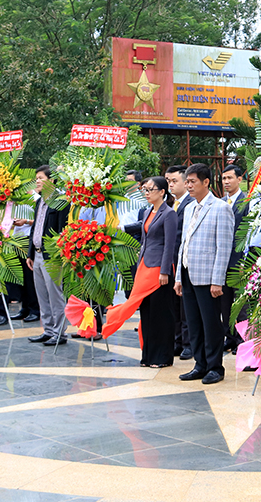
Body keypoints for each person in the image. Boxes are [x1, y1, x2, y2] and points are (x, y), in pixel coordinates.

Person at [102, 176, 178, 367]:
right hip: (144, 265)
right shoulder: (147, 212)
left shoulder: (169, 213)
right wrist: (119, 228)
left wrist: (165, 271)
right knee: (146, 312)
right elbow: (141, 230)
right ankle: (148, 355)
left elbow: (170, 245)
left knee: (160, 313)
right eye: (145, 189)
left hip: (159, 269)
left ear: (162, 192)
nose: (146, 193)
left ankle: (162, 357)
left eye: (150, 189)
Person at [175, 163, 236, 385]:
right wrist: (179, 276)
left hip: (209, 277)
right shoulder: (190, 207)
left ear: (206, 182)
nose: (188, 185)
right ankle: (200, 364)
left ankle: (215, 367)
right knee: (193, 322)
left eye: (192, 181)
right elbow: (184, 242)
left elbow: (224, 247)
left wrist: (217, 281)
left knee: (211, 323)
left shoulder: (221, 208)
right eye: (187, 181)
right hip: (189, 272)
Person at [26, 166, 70, 346]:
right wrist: (30, 253)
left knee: (55, 295)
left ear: (51, 181)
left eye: (40, 178)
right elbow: (35, 228)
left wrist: (58, 256)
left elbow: (62, 231)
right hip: (36, 255)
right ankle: (48, 330)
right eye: (36, 178)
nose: (37, 181)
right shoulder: (39, 202)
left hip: (51, 257)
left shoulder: (60, 202)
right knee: (42, 295)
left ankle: (60, 332)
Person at [165, 165, 194, 360]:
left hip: (185, 262)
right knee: (173, 305)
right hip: (171, 262)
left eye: (174, 181)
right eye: (168, 181)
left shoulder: (191, 204)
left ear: (185, 182)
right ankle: (176, 341)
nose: (170, 185)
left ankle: (188, 344)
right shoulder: (170, 204)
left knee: (186, 307)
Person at [220, 164, 249, 353]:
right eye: (223, 179)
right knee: (225, 302)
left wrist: (245, 261)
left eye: (230, 178)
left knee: (241, 303)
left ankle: (242, 340)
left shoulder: (247, 202)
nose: (226, 182)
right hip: (222, 260)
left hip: (239, 261)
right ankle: (229, 337)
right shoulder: (220, 202)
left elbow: (247, 233)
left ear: (240, 179)